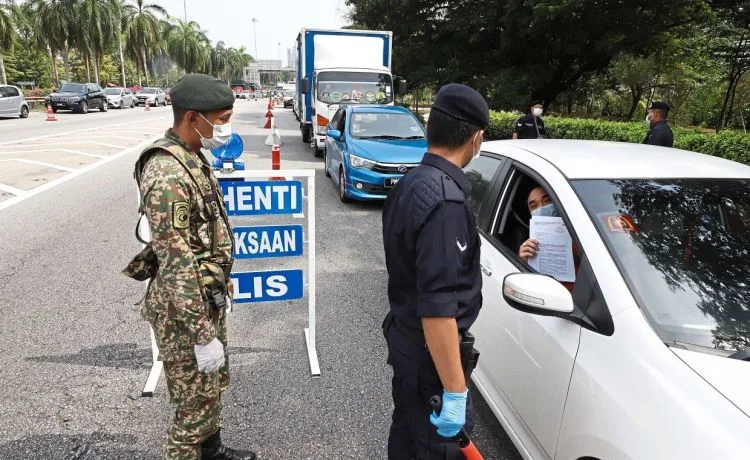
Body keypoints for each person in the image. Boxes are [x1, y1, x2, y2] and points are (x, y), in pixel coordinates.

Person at [122, 74, 255, 460]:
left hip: (203, 296)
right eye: (223, 118)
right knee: (191, 409)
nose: (226, 127)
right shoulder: (166, 172)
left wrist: (220, 284)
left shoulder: (192, 153)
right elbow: (176, 258)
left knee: (210, 388)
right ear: (194, 117)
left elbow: (202, 232)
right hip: (183, 311)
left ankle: (211, 452)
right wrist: (200, 332)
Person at [381, 83, 487, 460]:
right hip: (432, 364)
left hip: (407, 345)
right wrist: (455, 391)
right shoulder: (446, 203)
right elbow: (439, 308)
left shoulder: (411, 183)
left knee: (408, 441)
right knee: (438, 450)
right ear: (476, 139)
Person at [518, 186, 578, 291]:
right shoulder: (528, 247)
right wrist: (523, 260)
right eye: (534, 206)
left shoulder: (581, 236)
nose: (541, 208)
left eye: (547, 201)